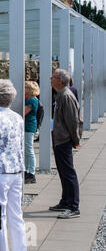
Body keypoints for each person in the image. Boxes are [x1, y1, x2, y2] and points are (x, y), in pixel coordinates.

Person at [0, 79, 27, 251]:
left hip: (1, 173)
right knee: (16, 216)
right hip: (17, 171)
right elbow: (20, 146)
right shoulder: (18, 118)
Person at [49, 69, 83, 219]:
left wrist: (76, 140)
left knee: (68, 173)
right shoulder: (60, 94)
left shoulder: (66, 96)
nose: (50, 78)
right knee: (63, 171)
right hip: (58, 138)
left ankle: (73, 206)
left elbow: (73, 121)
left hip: (64, 140)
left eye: (54, 77)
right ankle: (65, 201)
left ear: (60, 81)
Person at [24, 81, 40, 184]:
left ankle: (31, 173)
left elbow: (24, 112)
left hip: (29, 126)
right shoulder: (28, 99)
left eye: (25, 87)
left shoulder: (32, 100)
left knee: (29, 149)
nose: (24, 88)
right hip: (27, 126)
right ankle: (27, 170)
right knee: (26, 149)